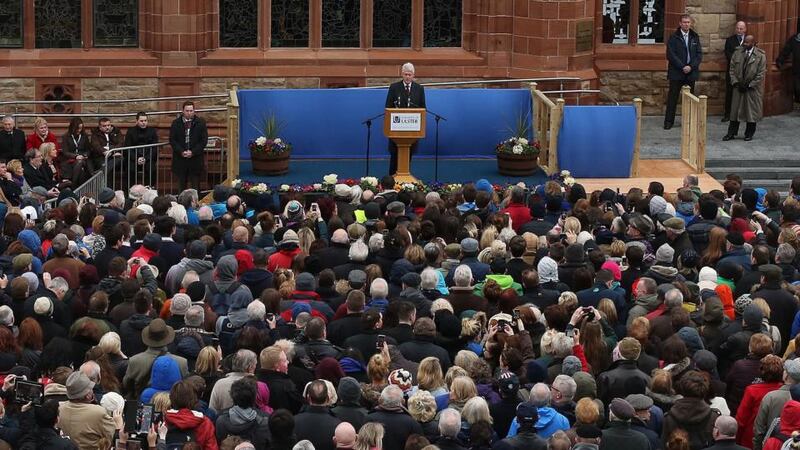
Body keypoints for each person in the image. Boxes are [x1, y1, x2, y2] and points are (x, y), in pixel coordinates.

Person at [384, 62, 426, 175]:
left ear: (413, 75)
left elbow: (423, 108)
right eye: (406, 74)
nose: (408, 77)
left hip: (412, 131)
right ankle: (391, 181)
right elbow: (388, 107)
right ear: (402, 74)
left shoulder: (419, 89)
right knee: (394, 157)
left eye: (410, 74)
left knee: (408, 156)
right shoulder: (394, 87)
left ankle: (405, 179)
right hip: (396, 130)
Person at [723, 35, 767, 142]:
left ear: (753, 43)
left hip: (752, 89)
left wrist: (749, 85)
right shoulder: (737, 53)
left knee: (751, 112)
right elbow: (732, 69)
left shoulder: (760, 56)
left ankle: (749, 133)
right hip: (738, 86)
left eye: (748, 43)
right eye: (745, 42)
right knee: (735, 111)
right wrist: (736, 83)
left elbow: (761, 74)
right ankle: (731, 133)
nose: (745, 44)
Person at [664, 14, 703, 130]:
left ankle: (689, 122)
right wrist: (682, 66)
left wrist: (691, 66)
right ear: (680, 24)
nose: (686, 24)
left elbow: (699, 55)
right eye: (684, 22)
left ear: (690, 23)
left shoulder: (695, 37)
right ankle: (668, 122)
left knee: (690, 98)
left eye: (688, 22)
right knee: (673, 98)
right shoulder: (674, 37)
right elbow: (671, 55)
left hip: (690, 73)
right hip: (677, 72)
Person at [170, 101, 208, 192]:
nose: (189, 113)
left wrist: (193, 152)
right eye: (187, 110)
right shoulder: (176, 123)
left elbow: (203, 141)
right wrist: (181, 151)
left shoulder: (200, 123)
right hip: (180, 160)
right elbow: (172, 140)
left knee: (195, 187)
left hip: (195, 160)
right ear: (183, 111)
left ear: (194, 111)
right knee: (181, 187)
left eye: (191, 110)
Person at [124, 111, 160, 186]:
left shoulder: (152, 131)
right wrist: (136, 158)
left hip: (148, 158)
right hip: (134, 159)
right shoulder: (131, 131)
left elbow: (154, 148)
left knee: (151, 169)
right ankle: (130, 192)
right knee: (130, 170)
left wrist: (146, 158)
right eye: (141, 121)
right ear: (137, 121)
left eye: (145, 121)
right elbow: (127, 148)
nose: (143, 123)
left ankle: (149, 190)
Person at [723, 22, 747, 122]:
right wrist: (737, 62)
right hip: (732, 71)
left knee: (745, 93)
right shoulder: (730, 40)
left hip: (745, 71)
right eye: (737, 28)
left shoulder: (748, 40)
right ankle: (727, 114)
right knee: (730, 93)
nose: (739, 30)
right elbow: (728, 53)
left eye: (741, 28)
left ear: (745, 29)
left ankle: (743, 114)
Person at [60, 117, 91, 185]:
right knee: (80, 168)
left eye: (81, 128)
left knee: (81, 162)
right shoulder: (66, 136)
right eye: (78, 128)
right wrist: (76, 156)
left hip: (83, 158)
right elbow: (65, 152)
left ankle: (73, 184)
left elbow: (88, 149)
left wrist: (85, 155)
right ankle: (75, 184)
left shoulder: (84, 136)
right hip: (70, 159)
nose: (79, 130)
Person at [777, 29, 800, 106]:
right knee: (797, 88)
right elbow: (786, 50)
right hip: (797, 70)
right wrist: (780, 60)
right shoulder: (795, 39)